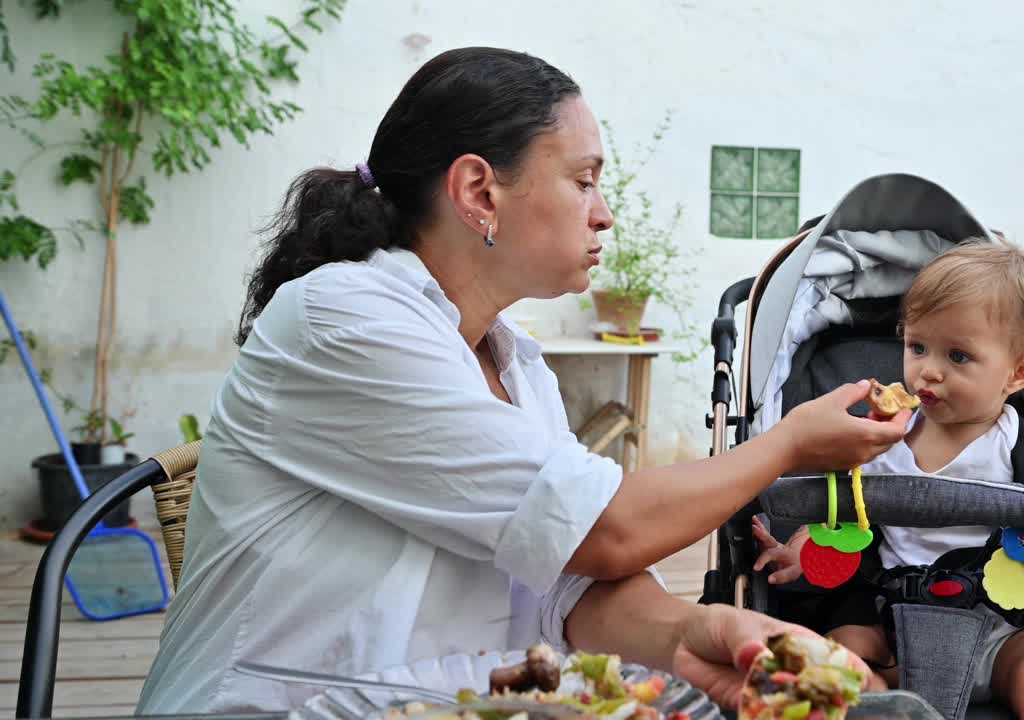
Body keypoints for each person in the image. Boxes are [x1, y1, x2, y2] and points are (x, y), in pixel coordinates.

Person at [136, 47, 911, 713]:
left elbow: (564, 586)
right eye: (584, 181)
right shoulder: (345, 319)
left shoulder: (514, 366)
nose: (604, 214)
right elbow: (603, 531)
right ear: (479, 192)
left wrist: (693, 634)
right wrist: (786, 445)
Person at [751, 242, 1024, 719]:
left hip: (1003, 632)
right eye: (917, 347)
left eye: (958, 355)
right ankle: (875, 696)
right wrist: (801, 548)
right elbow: (840, 515)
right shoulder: (881, 440)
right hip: (893, 625)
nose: (928, 370)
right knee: (829, 654)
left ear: (1018, 372)